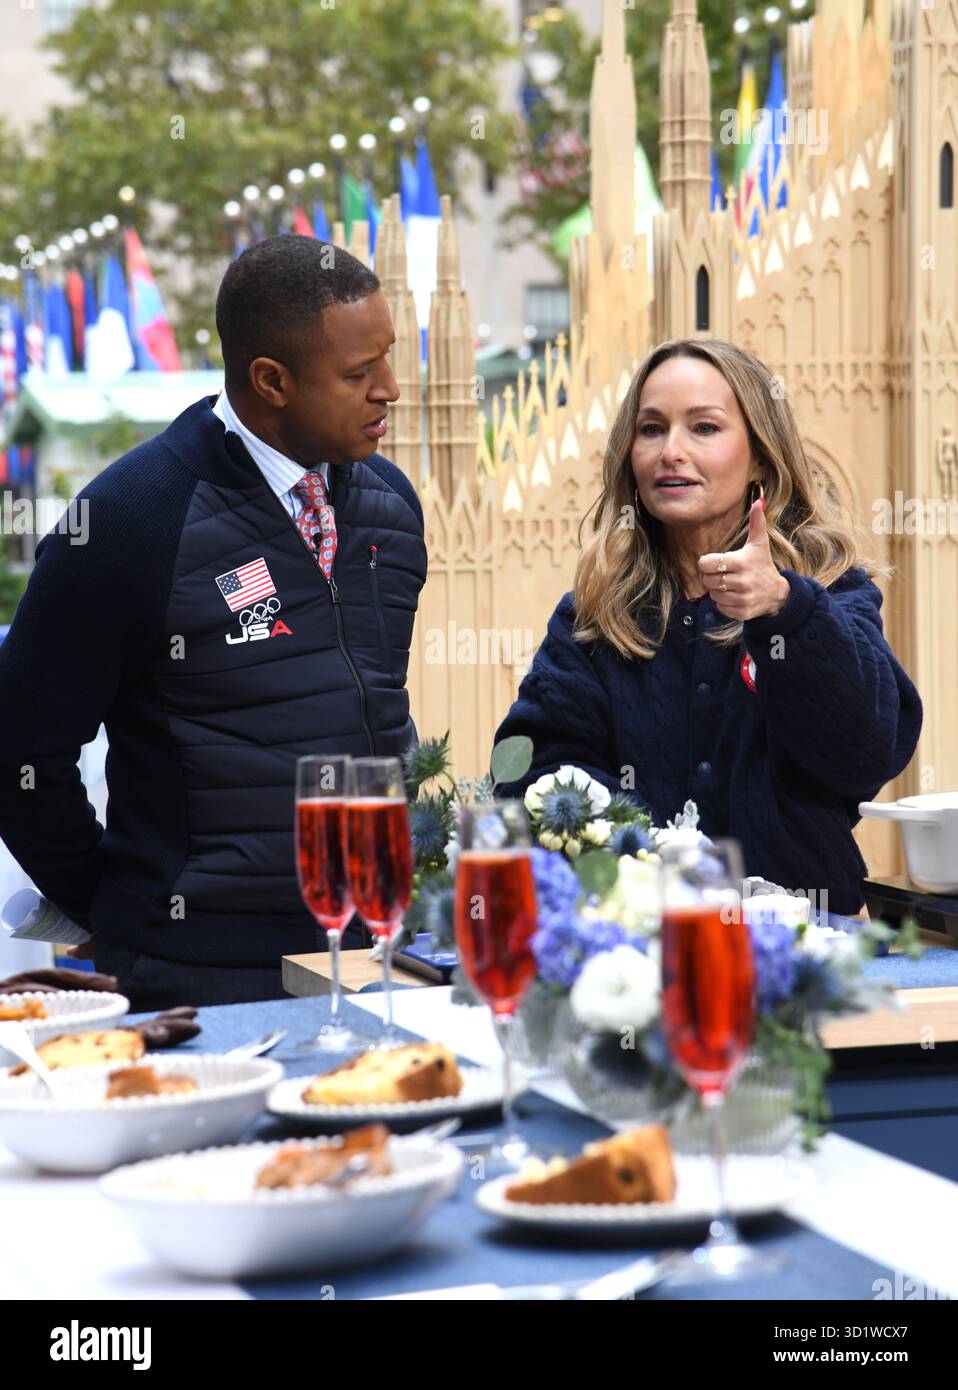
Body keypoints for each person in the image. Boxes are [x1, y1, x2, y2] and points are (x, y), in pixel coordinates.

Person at [0, 235, 427, 1008]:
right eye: (359, 373)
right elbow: (21, 751)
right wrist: (114, 906)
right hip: (198, 981)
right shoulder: (126, 522)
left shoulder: (391, 506)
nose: (390, 389)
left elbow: (371, 707)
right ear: (271, 380)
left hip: (377, 963)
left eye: (388, 359)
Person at [492, 338, 922, 916]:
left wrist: (784, 609)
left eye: (704, 428)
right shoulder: (593, 616)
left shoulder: (832, 591)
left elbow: (867, 754)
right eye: (651, 429)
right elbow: (526, 769)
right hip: (637, 939)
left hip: (800, 943)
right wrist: (652, 857)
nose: (672, 451)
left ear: (761, 458)